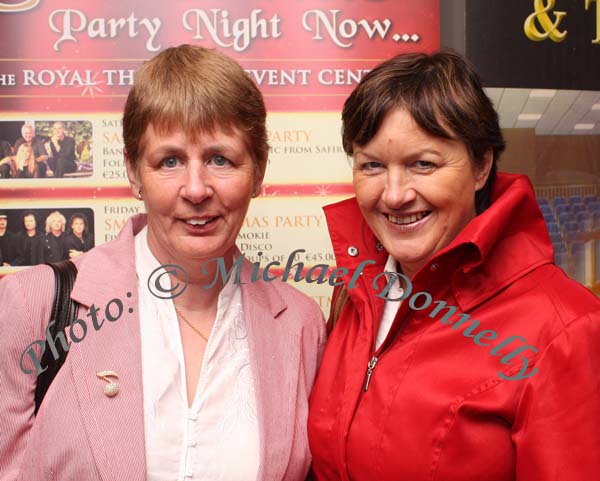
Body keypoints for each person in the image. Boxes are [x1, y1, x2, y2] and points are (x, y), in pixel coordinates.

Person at [0, 45, 325, 481]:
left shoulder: (301, 324)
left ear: (259, 172)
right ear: (134, 172)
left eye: (220, 159)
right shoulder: (32, 305)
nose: (196, 189)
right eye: (169, 161)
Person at [307, 51, 600, 480]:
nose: (393, 195)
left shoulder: (566, 328)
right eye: (372, 165)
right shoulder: (354, 292)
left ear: (481, 166)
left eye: (422, 164)